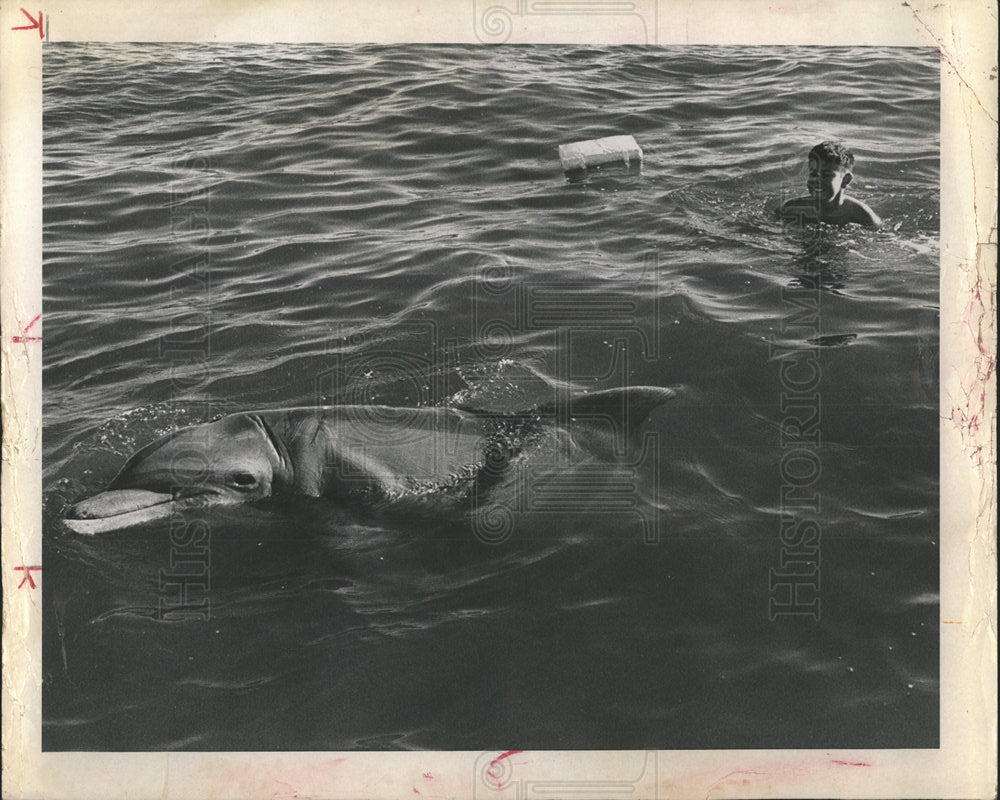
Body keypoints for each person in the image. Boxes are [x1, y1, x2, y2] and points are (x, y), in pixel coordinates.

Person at [778, 142, 881, 228]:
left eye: (826, 175)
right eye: (813, 174)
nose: (816, 180)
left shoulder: (861, 215)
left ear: (845, 180)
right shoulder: (792, 208)